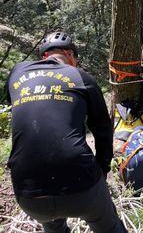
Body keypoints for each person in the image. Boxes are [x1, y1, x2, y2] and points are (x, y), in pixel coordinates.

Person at [6, 31, 127, 233]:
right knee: (110, 227)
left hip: (28, 192)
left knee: (52, 225)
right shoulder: (81, 77)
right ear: (69, 55)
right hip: (81, 184)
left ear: (44, 56)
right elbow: (103, 129)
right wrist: (102, 170)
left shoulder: (17, 72)